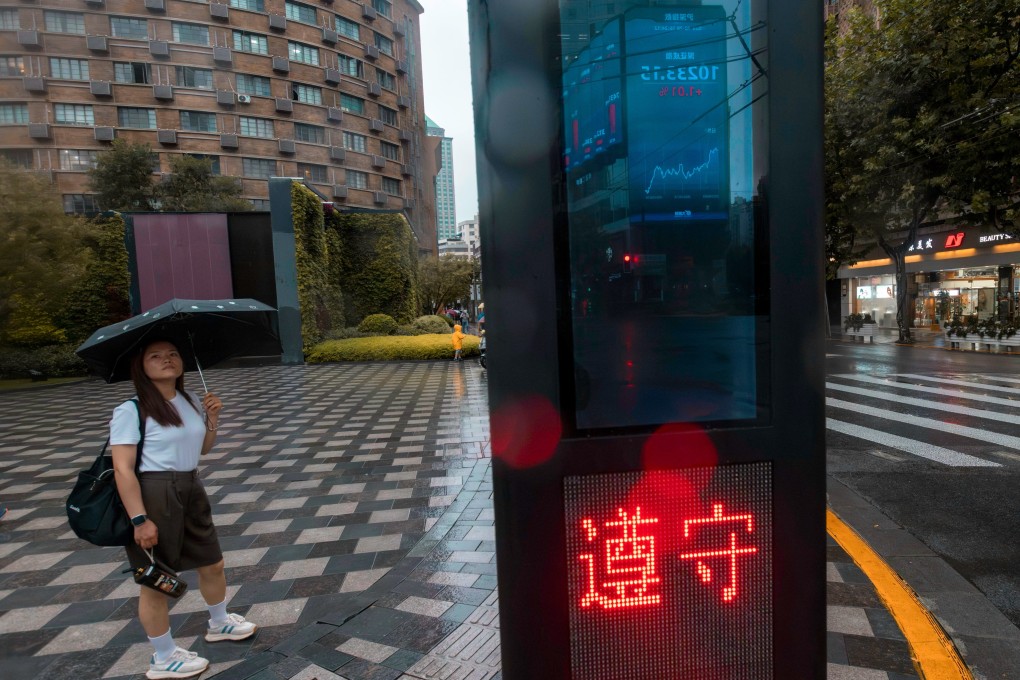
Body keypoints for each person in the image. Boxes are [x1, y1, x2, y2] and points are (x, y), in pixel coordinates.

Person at [111, 339, 256, 680]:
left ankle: (219, 622)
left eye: (173, 354)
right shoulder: (130, 410)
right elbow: (123, 469)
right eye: (156, 356)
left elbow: (202, 449)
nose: (167, 361)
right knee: (156, 580)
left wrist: (213, 419)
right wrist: (138, 518)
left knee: (213, 561)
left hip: (190, 486)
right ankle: (163, 657)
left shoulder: (190, 400)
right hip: (154, 492)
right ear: (141, 366)